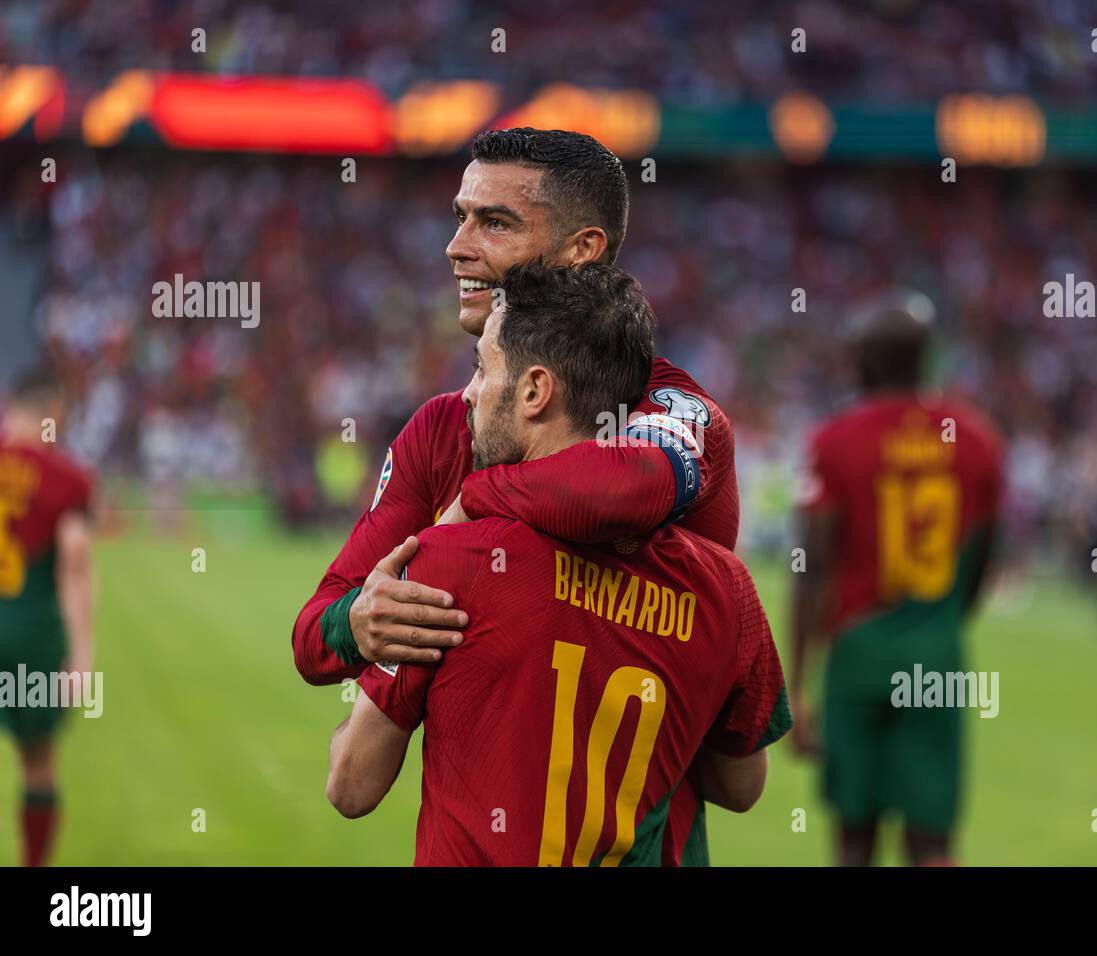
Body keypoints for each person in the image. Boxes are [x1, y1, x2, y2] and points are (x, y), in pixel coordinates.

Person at [291, 128, 740, 863]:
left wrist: (463, 516)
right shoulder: (442, 426)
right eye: (461, 215)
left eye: (493, 222)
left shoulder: (673, 411)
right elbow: (313, 639)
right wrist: (360, 622)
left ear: (583, 250)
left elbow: (621, 489)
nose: (456, 246)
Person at [326, 263, 790, 865]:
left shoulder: (451, 557)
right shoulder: (727, 588)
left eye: (481, 369)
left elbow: (352, 785)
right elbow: (741, 787)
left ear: (534, 391)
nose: (468, 393)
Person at [789, 291, 1003, 866]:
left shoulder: (835, 442)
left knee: (855, 837)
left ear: (866, 362)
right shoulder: (976, 440)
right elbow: (984, 560)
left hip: (857, 654)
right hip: (937, 654)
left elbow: (811, 567)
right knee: (933, 842)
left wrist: (799, 682)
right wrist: (940, 624)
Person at [0, 371, 96, 866]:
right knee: (37, 762)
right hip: (29, 633)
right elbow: (74, 558)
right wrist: (82, 654)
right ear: (53, 414)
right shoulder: (66, 478)